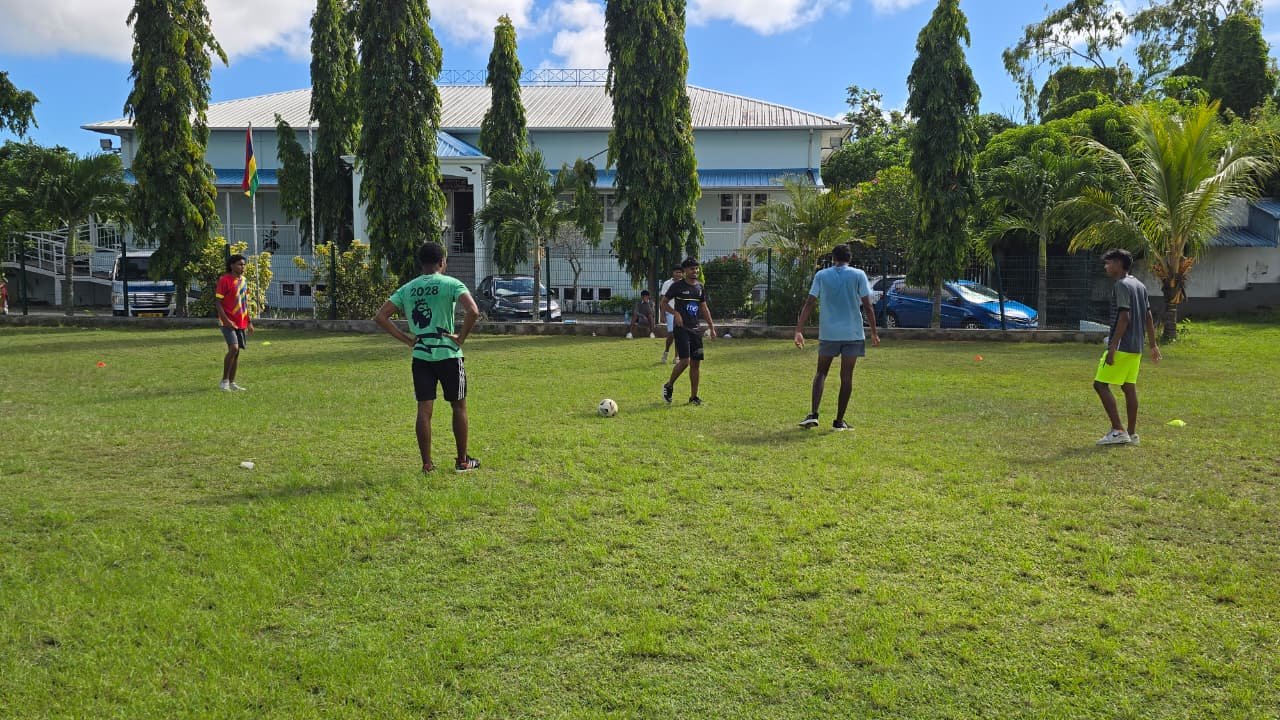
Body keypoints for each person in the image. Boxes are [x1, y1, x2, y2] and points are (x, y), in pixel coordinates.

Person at [374, 241, 482, 473]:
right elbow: (473, 311)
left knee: (424, 409)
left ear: (421, 263)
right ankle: (462, 461)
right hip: (449, 354)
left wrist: (407, 339)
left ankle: (426, 464)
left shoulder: (408, 288)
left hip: (422, 355)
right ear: (442, 262)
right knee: (458, 406)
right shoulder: (452, 283)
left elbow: (381, 316)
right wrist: (461, 337)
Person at [794, 244, 880, 431]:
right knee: (846, 377)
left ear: (833, 258)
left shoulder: (822, 275)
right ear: (850, 258)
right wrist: (873, 332)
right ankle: (839, 421)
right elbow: (868, 305)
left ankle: (814, 414)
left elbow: (810, 302)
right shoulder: (858, 275)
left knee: (821, 372)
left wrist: (799, 330)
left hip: (829, 333)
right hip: (853, 333)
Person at [1094, 248, 1161, 445]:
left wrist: (1112, 347)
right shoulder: (1139, 285)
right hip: (1136, 347)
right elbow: (1148, 316)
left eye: (1109, 262)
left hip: (1122, 346)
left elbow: (1125, 317)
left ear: (1118, 264)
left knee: (1100, 384)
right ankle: (1132, 434)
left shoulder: (1121, 285)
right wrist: (1153, 345)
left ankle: (1118, 430)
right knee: (1128, 387)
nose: (1106, 266)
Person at [661, 257, 716, 406]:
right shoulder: (677, 286)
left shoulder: (699, 287)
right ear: (685, 271)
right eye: (692, 269)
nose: (695, 271)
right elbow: (663, 304)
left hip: (696, 330)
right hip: (682, 329)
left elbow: (704, 308)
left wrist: (711, 327)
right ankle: (669, 385)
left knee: (696, 364)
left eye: (697, 268)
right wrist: (675, 313)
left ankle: (693, 397)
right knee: (685, 361)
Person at [215, 254, 254, 392]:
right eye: (239, 264)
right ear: (231, 265)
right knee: (234, 348)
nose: (242, 267)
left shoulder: (244, 281)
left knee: (237, 353)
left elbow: (244, 302)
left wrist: (249, 321)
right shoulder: (224, 280)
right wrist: (226, 320)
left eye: (244, 264)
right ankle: (224, 381)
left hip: (241, 321)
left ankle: (232, 382)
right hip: (227, 321)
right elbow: (218, 302)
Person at [658, 264, 683, 364]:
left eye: (680, 272)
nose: (679, 274)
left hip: (681, 313)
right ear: (673, 273)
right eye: (677, 272)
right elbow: (663, 300)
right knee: (671, 334)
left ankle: (676, 357)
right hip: (670, 312)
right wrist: (662, 314)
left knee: (678, 334)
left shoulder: (684, 283)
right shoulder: (667, 283)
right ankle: (666, 351)